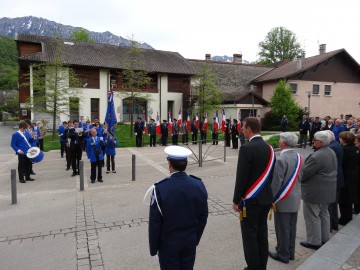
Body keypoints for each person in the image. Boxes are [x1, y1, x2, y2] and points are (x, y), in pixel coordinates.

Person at [147, 145, 208, 269]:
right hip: (189, 242)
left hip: (168, 245)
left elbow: (155, 223)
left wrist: (154, 249)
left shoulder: (160, 188)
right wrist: (195, 238)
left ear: (169, 164)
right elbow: (203, 216)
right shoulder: (198, 185)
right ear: (186, 163)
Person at [232, 117, 275, 270]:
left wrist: (236, 200)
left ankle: (253, 267)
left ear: (249, 129)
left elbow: (242, 177)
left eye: (243, 127)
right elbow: (270, 176)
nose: (242, 130)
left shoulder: (246, 148)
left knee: (250, 236)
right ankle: (261, 265)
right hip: (266, 199)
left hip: (251, 201)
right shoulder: (269, 148)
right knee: (262, 234)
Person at [268, 132, 303, 264]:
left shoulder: (282, 159)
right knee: (291, 227)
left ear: (283, 143)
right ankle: (290, 252)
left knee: (282, 228)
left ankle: (283, 254)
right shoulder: (300, 157)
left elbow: (277, 182)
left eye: (280, 140)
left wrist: (270, 198)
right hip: (295, 197)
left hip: (283, 198)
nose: (279, 142)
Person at [300, 131, 337, 250]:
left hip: (315, 191)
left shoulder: (317, 156)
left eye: (314, 140)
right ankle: (324, 238)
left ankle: (314, 241)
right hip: (327, 190)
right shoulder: (330, 151)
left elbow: (304, 173)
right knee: (324, 213)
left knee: (312, 215)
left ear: (320, 142)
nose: (313, 141)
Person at [338, 131, 359, 225]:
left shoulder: (345, 149)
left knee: (344, 198)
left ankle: (344, 218)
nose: (339, 139)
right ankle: (347, 217)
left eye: (341, 138)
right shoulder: (352, 147)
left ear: (344, 140)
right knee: (347, 198)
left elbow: (341, 162)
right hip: (351, 174)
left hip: (347, 175)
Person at [326, 130, 345, 232]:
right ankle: (334, 224)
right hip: (338, 176)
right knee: (333, 203)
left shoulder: (331, 147)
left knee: (330, 204)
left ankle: (329, 226)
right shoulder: (337, 144)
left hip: (333, 178)